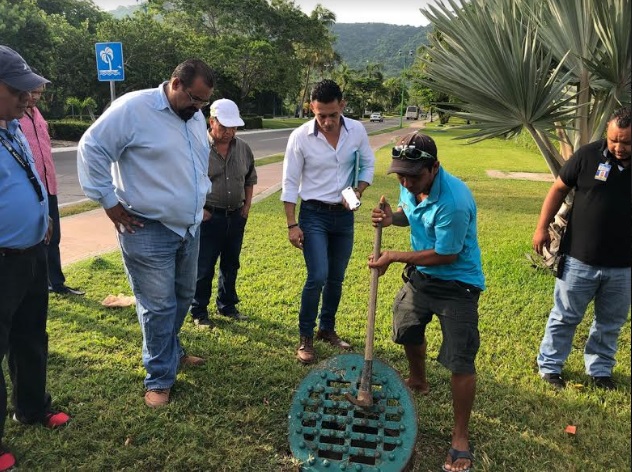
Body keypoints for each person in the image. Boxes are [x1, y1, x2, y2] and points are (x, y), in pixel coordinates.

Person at [77, 59, 215, 408]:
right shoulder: (134, 108)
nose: (199, 108)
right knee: (158, 307)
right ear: (175, 83)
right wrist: (108, 201)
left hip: (188, 227)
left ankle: (172, 351)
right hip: (146, 228)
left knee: (183, 296)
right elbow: (91, 148)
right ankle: (159, 377)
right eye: (195, 99)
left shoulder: (193, 117)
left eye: (204, 102)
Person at [369, 131, 484, 472]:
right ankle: (418, 380)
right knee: (406, 327)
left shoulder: (455, 201)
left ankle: (460, 437)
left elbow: (446, 255)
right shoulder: (410, 181)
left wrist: (394, 256)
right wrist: (392, 219)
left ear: (434, 168)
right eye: (400, 174)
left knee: (460, 359)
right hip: (421, 278)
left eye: (413, 175)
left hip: (457, 285)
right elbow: (409, 210)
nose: (405, 181)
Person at [0, 45, 70, 472]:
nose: (29, 96)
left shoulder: (11, 126)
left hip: (31, 254)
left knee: (31, 336)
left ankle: (31, 406)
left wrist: (40, 218)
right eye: (18, 89)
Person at [533, 106, 631, 391]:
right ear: (606, 135)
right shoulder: (587, 156)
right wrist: (542, 227)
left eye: (626, 142)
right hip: (579, 258)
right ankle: (550, 366)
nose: (618, 147)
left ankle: (600, 370)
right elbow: (558, 189)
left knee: (610, 323)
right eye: (614, 140)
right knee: (564, 316)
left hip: (623, 265)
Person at [282, 79, 375, 364]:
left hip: (344, 217)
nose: (326, 121)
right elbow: (288, 182)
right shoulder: (300, 137)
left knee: (336, 277)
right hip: (314, 215)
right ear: (312, 107)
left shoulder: (356, 130)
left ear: (342, 106)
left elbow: (369, 164)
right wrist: (292, 224)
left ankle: (327, 328)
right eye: (320, 114)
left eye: (332, 115)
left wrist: (358, 190)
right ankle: (305, 337)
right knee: (318, 276)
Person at [190, 99, 257, 327]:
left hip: (236, 216)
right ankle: (199, 311)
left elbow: (250, 179)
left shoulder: (243, 149)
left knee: (231, 264)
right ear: (212, 122)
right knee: (204, 266)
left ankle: (227, 305)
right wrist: (200, 210)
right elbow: (187, 183)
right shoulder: (198, 148)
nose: (230, 132)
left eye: (234, 127)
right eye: (225, 126)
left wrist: (246, 207)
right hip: (209, 218)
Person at [19, 82, 84, 296]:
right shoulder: (14, 119)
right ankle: (38, 285)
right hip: (29, 190)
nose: (35, 97)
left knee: (53, 237)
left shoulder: (38, 115)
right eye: (32, 91)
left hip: (49, 187)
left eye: (39, 92)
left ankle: (56, 283)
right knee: (35, 240)